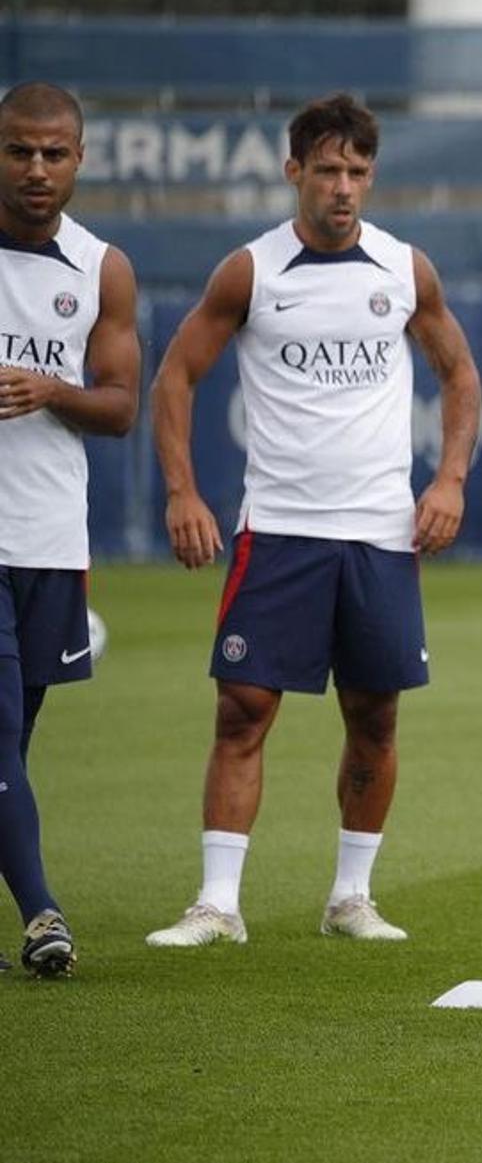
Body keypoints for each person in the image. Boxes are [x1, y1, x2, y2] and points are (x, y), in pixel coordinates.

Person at [145, 93, 481, 949]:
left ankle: (351, 897)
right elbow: (175, 377)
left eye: (357, 171)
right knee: (243, 708)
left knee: (375, 715)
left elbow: (460, 376)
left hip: (378, 532)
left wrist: (448, 480)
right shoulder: (250, 272)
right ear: (294, 171)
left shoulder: (404, 268)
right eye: (326, 169)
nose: (342, 187)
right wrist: (183, 493)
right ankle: (218, 903)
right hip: (280, 528)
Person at [0, 83, 141, 979]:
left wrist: (52, 391)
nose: (37, 169)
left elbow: (122, 405)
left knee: (14, 743)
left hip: (50, 540)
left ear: (80, 159)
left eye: (54, 153)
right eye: (19, 151)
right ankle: (43, 911)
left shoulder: (101, 269)